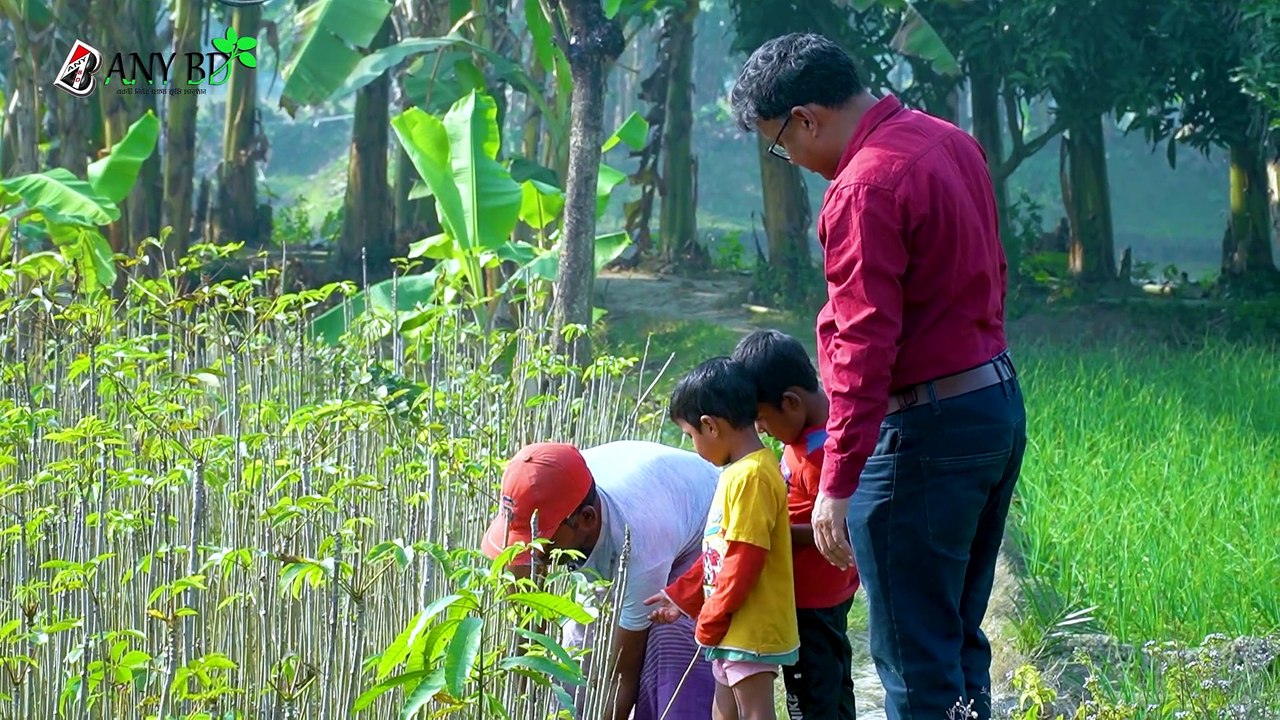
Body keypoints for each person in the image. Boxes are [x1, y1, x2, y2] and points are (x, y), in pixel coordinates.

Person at [728, 33, 1028, 720]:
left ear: (806, 117)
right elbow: (993, 276)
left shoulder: (866, 185)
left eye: (781, 144)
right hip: (992, 405)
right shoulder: (950, 142)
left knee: (914, 659)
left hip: (925, 432)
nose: (794, 162)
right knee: (954, 637)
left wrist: (837, 481)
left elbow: (865, 345)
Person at [480, 440, 719, 719]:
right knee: (575, 657)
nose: (529, 552)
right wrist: (525, 699)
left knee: (669, 647)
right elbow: (528, 623)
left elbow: (622, 677)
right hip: (645, 513)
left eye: (539, 540)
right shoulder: (550, 489)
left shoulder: (641, 547)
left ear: (587, 518)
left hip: (705, 531)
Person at [645, 357, 799, 720]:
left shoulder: (753, 477)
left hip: (751, 629)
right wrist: (682, 595)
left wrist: (712, 616)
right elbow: (718, 552)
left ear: (710, 426)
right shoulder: (736, 474)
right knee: (723, 712)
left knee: (756, 712)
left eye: (690, 436)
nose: (693, 446)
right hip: (733, 626)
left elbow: (744, 557)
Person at [732, 329, 859, 719]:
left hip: (813, 601)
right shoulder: (807, 437)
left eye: (761, 419)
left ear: (790, 402)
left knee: (812, 698)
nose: (762, 431)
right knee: (834, 686)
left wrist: (774, 535)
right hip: (817, 595)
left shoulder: (823, 456)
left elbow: (845, 527)